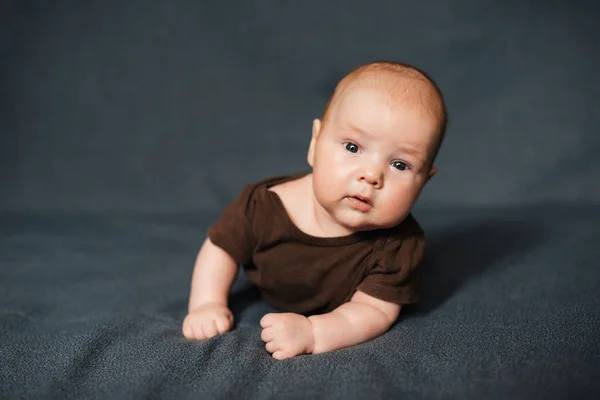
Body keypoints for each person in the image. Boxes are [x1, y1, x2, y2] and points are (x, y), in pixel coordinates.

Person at [182, 61, 447, 360]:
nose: (371, 175)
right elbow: (220, 249)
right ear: (315, 143)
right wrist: (207, 303)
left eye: (400, 165)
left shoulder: (398, 246)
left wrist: (315, 333)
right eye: (352, 147)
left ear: (424, 181)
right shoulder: (263, 206)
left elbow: (373, 311)